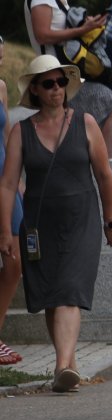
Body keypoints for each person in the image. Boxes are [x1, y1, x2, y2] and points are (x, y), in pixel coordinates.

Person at [0, 55, 112, 393]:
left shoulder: (86, 123)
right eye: (48, 83)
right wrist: (5, 232)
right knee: (53, 296)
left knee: (69, 289)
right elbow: (7, 184)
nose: (56, 89)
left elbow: (104, 175)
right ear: (35, 90)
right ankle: (68, 364)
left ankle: (62, 367)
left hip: (82, 220)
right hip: (39, 225)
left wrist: (110, 220)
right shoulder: (22, 132)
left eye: (61, 82)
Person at [26, 0, 112, 157]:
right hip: (57, 76)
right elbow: (42, 34)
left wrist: (88, 26)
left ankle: (100, 165)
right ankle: (104, 167)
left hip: (67, 74)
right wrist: (81, 30)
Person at [0, 35, 22, 365]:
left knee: (15, 261)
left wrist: (18, 181)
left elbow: (6, 135)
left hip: (4, 179)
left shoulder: (1, 87)